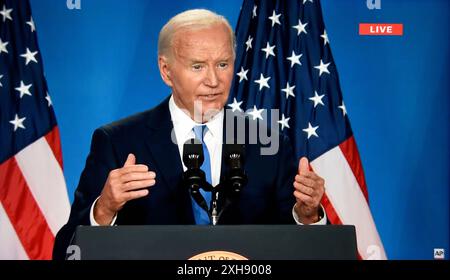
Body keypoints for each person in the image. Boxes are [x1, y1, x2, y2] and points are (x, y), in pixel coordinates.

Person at [53, 9, 326, 259]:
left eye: (223, 64)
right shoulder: (119, 142)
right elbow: (67, 253)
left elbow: (302, 249)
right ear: (166, 71)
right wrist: (104, 210)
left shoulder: (269, 143)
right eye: (198, 66)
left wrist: (307, 216)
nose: (213, 81)